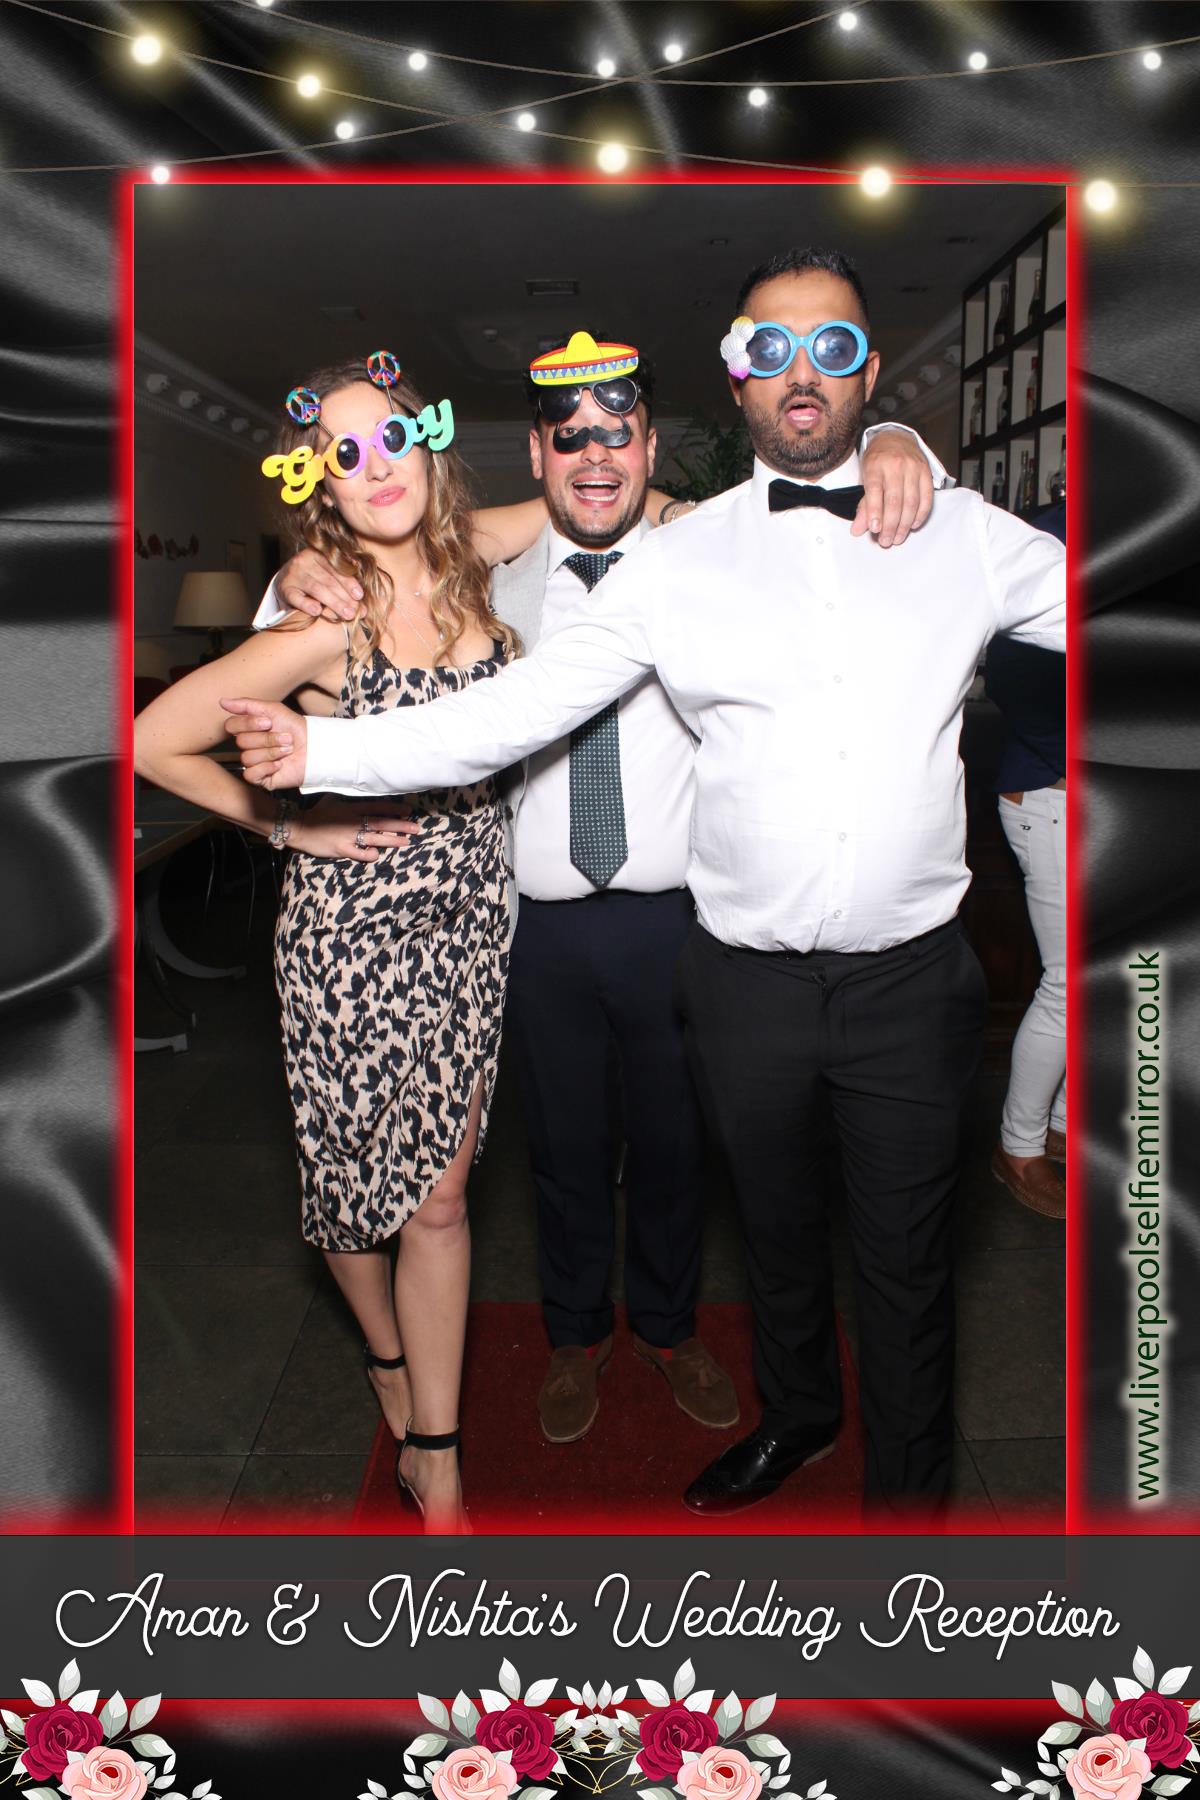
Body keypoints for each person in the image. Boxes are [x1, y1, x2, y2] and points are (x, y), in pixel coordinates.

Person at [224, 248, 1064, 1521]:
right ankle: (697, 1380)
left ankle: (870, 1496)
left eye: (833, 350)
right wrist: (310, 697)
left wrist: (915, 450)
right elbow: (479, 697)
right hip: (635, 947)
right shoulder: (580, 571)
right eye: (770, 349)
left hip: (815, 952)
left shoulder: (873, 536)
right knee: (687, 1199)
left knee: (831, 1231)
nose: (801, 373)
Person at [135, 352, 547, 1533]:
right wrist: (289, 825)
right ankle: (387, 1359)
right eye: (345, 454)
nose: (377, 467)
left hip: (469, 927)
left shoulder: (477, 564)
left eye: (394, 437)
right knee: (353, 1191)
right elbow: (157, 739)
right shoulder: (328, 619)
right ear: (320, 482)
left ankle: (437, 1459)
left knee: (443, 1201)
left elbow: (596, 500)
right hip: (348, 939)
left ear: (429, 441)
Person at [985, 497, 1067, 1221]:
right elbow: (1013, 678)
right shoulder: (1042, 536)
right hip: (1050, 790)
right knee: (1069, 983)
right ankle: (1018, 1148)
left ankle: (1061, 1127)